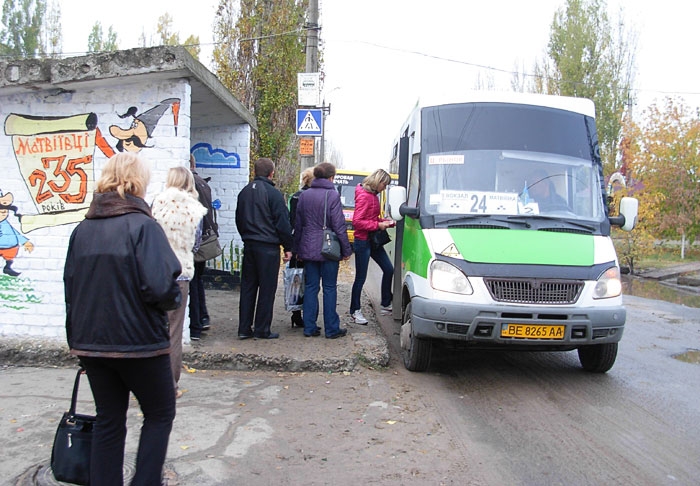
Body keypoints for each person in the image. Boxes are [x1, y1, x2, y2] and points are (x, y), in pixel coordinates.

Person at [63, 152, 182, 486]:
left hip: (92, 344)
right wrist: (173, 299)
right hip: (140, 344)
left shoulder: (82, 230)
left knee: (109, 419)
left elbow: (70, 287)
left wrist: (77, 340)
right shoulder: (144, 226)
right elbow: (161, 287)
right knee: (159, 414)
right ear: (137, 182)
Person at [151, 165, 207, 398]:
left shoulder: (156, 204)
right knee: (174, 332)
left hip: (154, 273)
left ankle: (148, 383)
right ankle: (170, 386)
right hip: (181, 274)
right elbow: (196, 244)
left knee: (153, 329)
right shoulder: (195, 209)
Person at [235, 157, 293, 340]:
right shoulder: (274, 194)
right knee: (267, 289)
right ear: (271, 173)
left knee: (248, 287)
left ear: (254, 172)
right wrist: (288, 247)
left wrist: (246, 235)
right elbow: (282, 223)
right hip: (268, 247)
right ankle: (262, 328)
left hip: (249, 245)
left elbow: (239, 218)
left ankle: (244, 328)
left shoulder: (244, 192)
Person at [293, 162, 352, 339]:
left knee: (311, 287)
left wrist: (296, 248)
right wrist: (346, 249)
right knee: (329, 288)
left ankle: (309, 327)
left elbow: (298, 224)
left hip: (308, 247)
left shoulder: (305, 195)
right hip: (328, 248)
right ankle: (331, 329)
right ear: (331, 177)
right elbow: (339, 226)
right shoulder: (332, 195)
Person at [349, 169, 394, 324]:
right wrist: (378, 225)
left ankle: (386, 303)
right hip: (363, 240)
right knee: (361, 277)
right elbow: (357, 222)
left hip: (372, 239)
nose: (385, 188)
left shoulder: (372, 195)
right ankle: (355, 310)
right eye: (385, 185)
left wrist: (382, 220)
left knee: (389, 269)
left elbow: (369, 216)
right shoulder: (365, 196)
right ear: (379, 182)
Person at [189, 154, 218, 337]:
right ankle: (203, 318)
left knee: (192, 283)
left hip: (193, 242)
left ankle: (195, 324)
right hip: (204, 240)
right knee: (198, 280)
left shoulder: (189, 184)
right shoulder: (203, 183)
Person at [288, 167, 315, 328]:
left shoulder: (295, 196)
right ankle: (306, 315)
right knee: (309, 280)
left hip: (296, 242)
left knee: (296, 279)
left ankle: (295, 313)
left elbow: (292, 223)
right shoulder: (310, 197)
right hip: (308, 244)